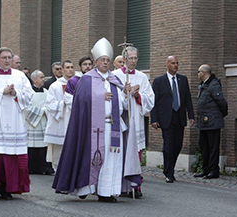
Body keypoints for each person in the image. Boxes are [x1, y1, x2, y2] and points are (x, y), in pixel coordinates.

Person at [53, 37, 134, 203]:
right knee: (94, 157)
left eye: (107, 60)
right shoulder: (87, 79)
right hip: (93, 127)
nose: (105, 63)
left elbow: (124, 106)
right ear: (95, 62)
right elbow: (79, 101)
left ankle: (107, 191)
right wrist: (99, 96)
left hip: (113, 126)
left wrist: (127, 93)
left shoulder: (115, 80)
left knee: (111, 159)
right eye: (102, 60)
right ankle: (87, 187)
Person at [0, 47, 34, 201]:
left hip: (15, 120)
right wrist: (1, 91)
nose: (6, 60)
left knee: (12, 157)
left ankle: (8, 188)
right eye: (3, 57)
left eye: (9, 58)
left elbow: (29, 94)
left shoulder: (20, 76)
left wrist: (16, 93)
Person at [113, 46, 155, 197]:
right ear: (124, 59)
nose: (133, 61)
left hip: (135, 118)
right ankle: (118, 185)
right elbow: (111, 96)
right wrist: (124, 92)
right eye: (130, 58)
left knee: (134, 151)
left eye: (135, 58)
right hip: (121, 119)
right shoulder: (115, 75)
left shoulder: (142, 77)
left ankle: (134, 185)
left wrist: (138, 96)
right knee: (120, 151)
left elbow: (150, 98)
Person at [150, 55, 194, 183]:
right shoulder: (159, 81)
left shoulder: (183, 80)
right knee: (168, 145)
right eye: (173, 63)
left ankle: (171, 167)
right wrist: (154, 119)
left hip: (179, 116)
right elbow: (154, 101)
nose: (175, 65)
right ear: (167, 64)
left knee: (178, 144)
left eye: (177, 63)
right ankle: (168, 172)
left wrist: (191, 115)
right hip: (166, 118)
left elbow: (188, 99)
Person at [193, 64, 228, 179]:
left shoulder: (213, 85)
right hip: (204, 122)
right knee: (204, 146)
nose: (197, 74)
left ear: (203, 73)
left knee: (213, 147)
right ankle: (205, 169)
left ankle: (214, 170)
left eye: (198, 72)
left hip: (212, 122)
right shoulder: (203, 85)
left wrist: (218, 116)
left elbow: (221, 102)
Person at [44, 60, 74, 170]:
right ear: (62, 69)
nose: (70, 69)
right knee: (59, 152)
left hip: (73, 119)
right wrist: (64, 104)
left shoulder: (77, 83)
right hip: (60, 121)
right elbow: (49, 104)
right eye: (67, 67)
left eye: (72, 67)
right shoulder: (55, 86)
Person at [24, 70, 54, 175]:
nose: (43, 79)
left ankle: (44, 168)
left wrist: (46, 110)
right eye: (41, 77)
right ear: (34, 79)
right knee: (32, 146)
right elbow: (26, 108)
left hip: (44, 122)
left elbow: (51, 105)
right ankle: (32, 168)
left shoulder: (47, 92)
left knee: (43, 146)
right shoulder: (29, 93)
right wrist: (42, 111)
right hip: (31, 123)